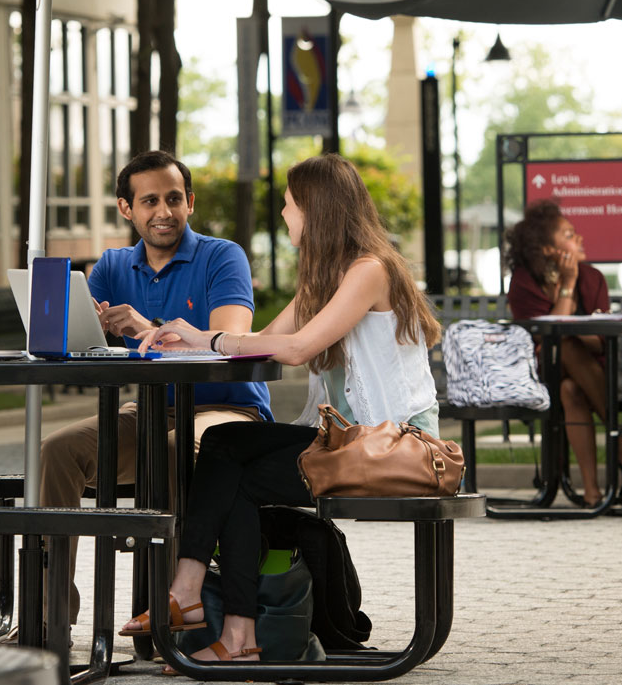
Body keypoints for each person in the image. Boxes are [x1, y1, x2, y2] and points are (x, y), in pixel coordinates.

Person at [124, 154, 440, 668]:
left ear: (316, 210)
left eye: (290, 206)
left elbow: (292, 350)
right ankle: (222, 620)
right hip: (351, 441)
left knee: (236, 470)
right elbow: (261, 340)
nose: (284, 215)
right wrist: (191, 339)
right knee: (226, 446)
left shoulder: (369, 271)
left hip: (398, 446)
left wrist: (218, 340)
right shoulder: (325, 277)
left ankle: (214, 613)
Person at [35, 150, 275, 631]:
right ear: (127, 209)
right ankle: (49, 612)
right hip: (149, 410)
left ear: (190, 203)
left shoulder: (221, 256)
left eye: (173, 199)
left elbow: (228, 344)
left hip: (226, 413)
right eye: (149, 201)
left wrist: (151, 327)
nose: (163, 211)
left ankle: (177, 612)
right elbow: (73, 338)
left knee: (174, 450)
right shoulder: (112, 265)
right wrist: (62, 320)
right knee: (56, 450)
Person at [504, 200, 622, 507]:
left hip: (588, 373)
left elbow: (600, 341)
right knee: (563, 344)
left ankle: (591, 491)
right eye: (568, 234)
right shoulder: (524, 283)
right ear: (547, 249)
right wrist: (567, 285)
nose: (578, 238)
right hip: (541, 374)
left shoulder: (593, 279)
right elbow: (547, 339)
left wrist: (578, 331)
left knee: (571, 390)